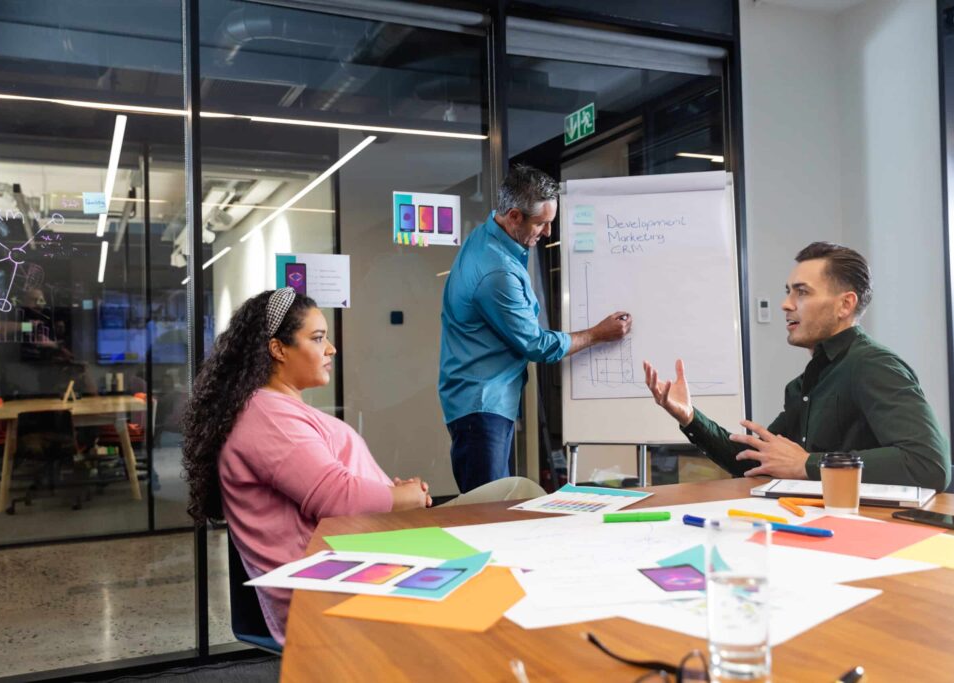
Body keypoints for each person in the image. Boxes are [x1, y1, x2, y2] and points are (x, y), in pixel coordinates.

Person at [182, 288, 541, 646]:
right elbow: (337, 498)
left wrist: (392, 494)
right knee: (519, 496)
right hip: (341, 577)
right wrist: (403, 497)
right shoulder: (268, 417)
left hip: (374, 543)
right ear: (277, 349)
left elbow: (334, 484)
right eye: (318, 338)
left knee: (517, 501)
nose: (331, 349)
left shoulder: (273, 409)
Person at [643, 242, 951, 492]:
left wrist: (808, 464)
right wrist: (689, 417)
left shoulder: (872, 364)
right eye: (788, 291)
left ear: (845, 304)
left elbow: (928, 464)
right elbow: (752, 463)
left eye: (801, 292)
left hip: (872, 538)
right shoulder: (804, 385)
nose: (786, 304)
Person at [439, 165, 633, 493]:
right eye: (541, 223)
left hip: (477, 400)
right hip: (482, 408)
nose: (546, 233)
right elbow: (536, 344)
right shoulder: (497, 272)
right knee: (486, 515)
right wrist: (597, 334)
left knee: (491, 505)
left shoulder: (488, 234)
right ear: (514, 216)